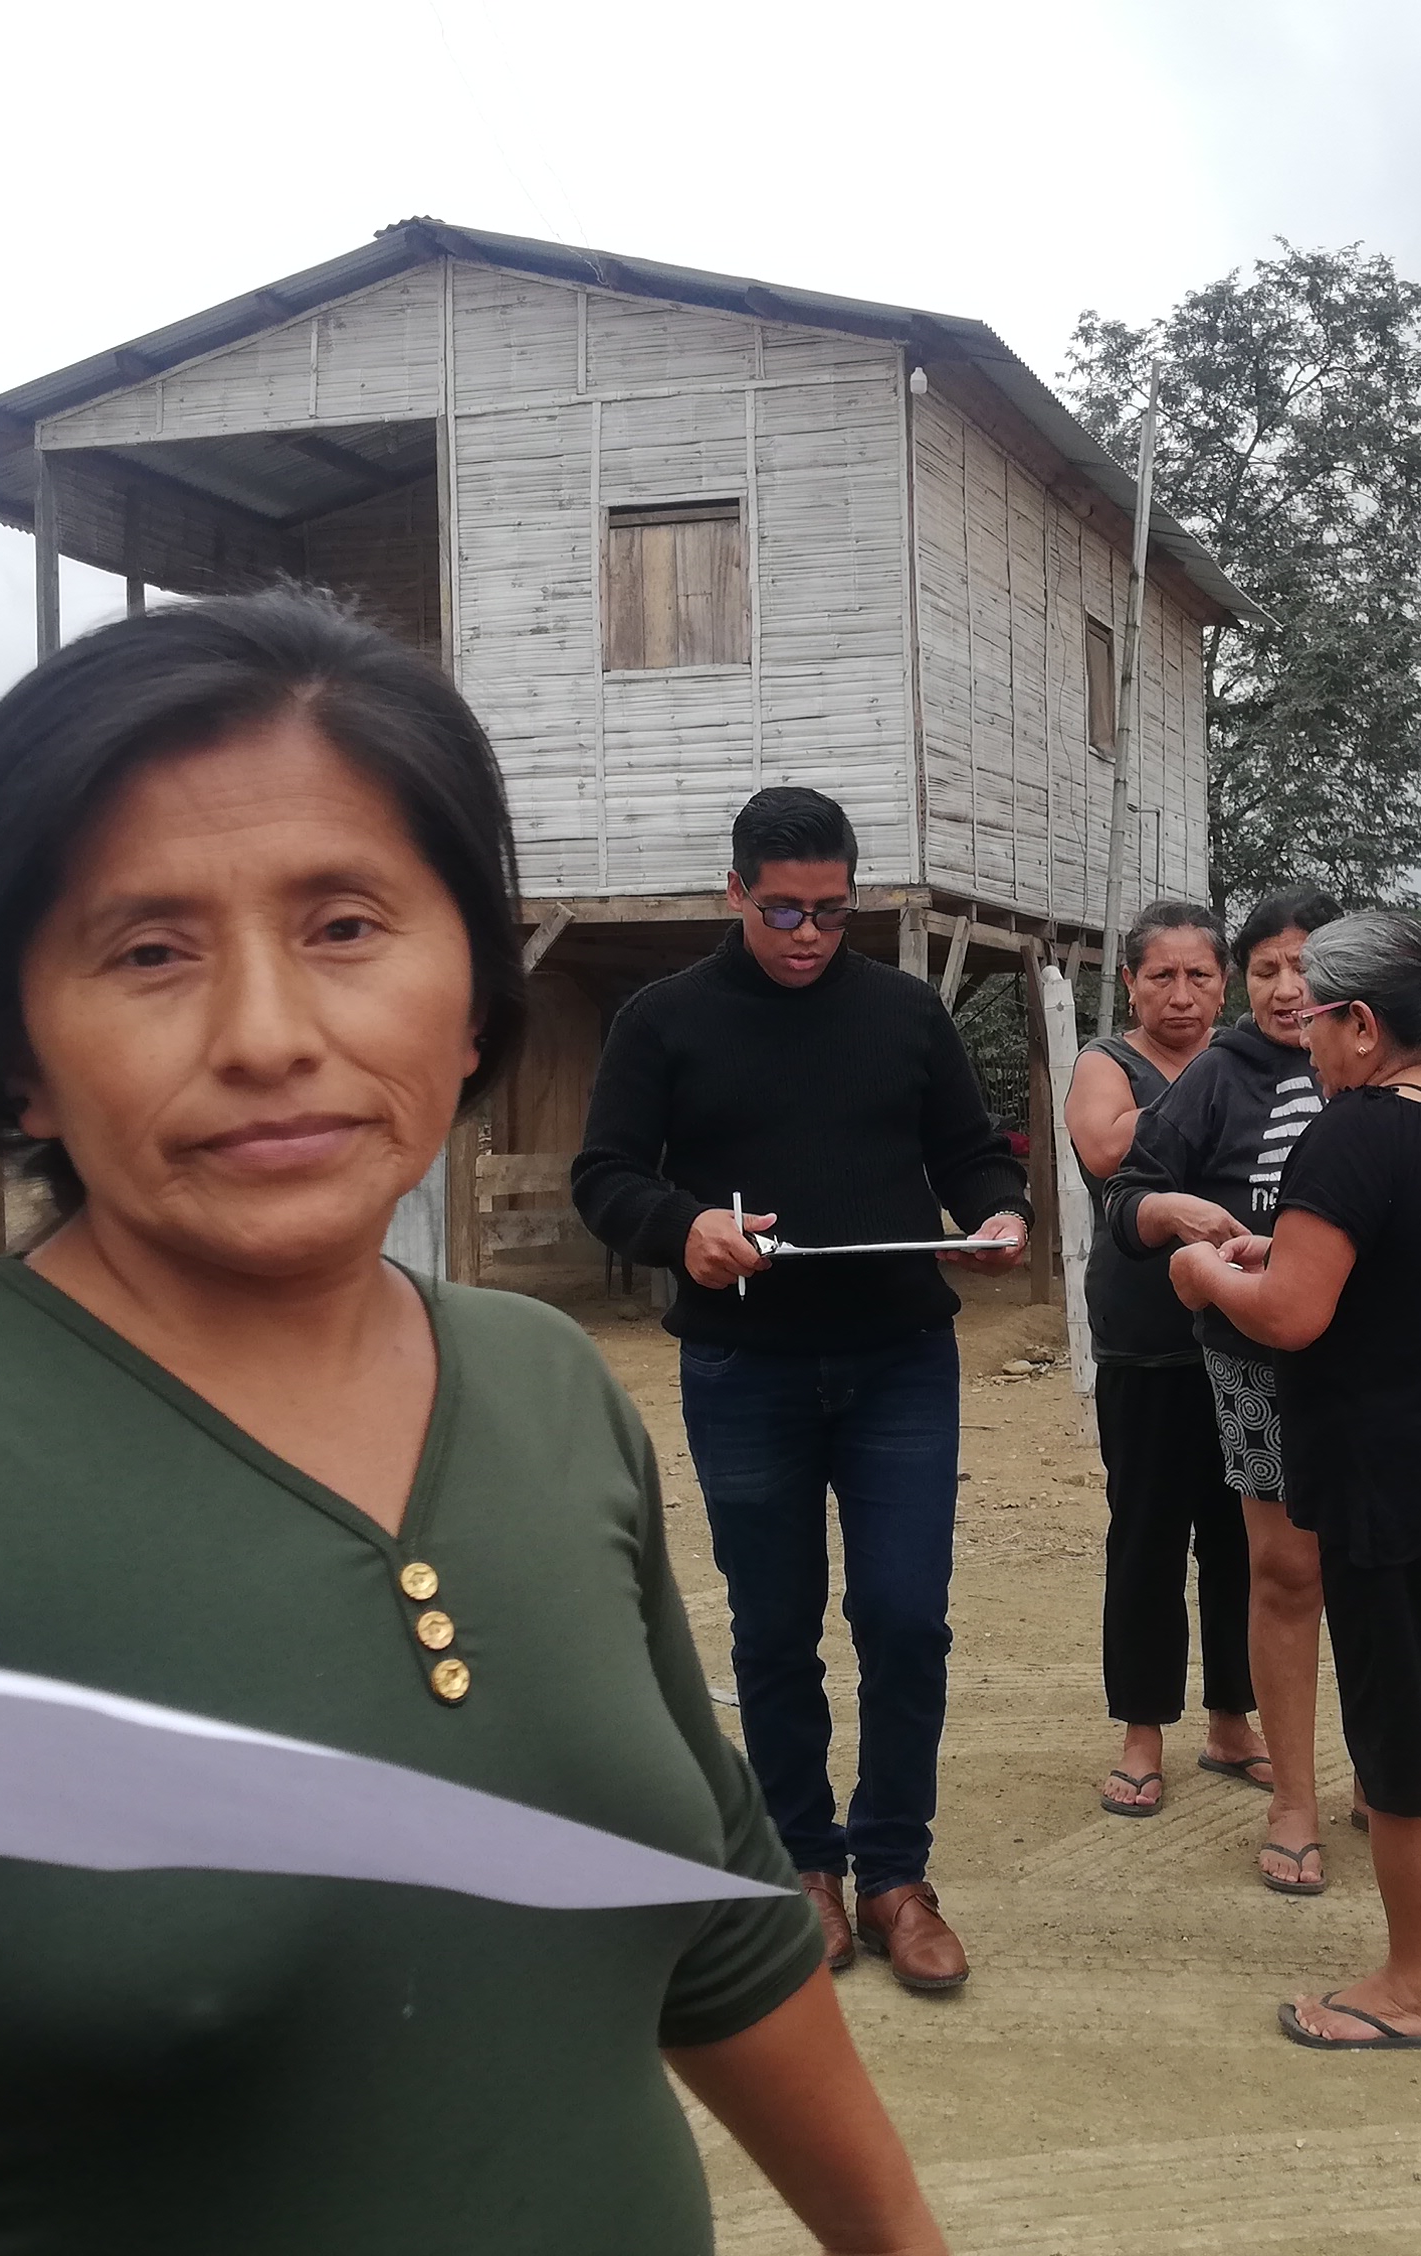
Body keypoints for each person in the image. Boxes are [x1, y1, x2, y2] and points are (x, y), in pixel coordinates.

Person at [0, 590, 944, 2256]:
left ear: (473, 1003)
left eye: (346, 925)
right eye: (148, 951)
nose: (267, 1035)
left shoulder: (543, 1383)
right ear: (17, 1057)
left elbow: (712, 1921)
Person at [573, 787, 1028, 1997]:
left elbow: (970, 1151)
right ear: (735, 893)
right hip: (745, 1369)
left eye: (832, 910)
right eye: (783, 910)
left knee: (904, 1620)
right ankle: (803, 1866)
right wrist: (685, 1229)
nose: (810, 934)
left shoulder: (904, 1012)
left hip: (899, 1364)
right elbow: (605, 1176)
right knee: (774, 1629)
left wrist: (999, 1212)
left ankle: (896, 1877)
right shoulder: (664, 1020)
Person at [1168, 912, 1421, 2053]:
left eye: (1314, 1020)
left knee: (1401, 1747)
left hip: (1401, 1489)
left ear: (1360, 1022)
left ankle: (1415, 1986)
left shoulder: (1352, 1133)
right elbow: (1417, 1262)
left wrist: (1205, 1273)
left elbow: (1292, 1316)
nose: (1302, 1039)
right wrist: (1281, 1250)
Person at [1103, 885, 1343, 1895]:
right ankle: (1250, 1781)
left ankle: (1375, 1765)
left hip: (1368, 1365)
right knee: (1263, 1566)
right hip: (1242, 1360)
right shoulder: (1215, 1075)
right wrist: (1173, 1215)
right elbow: (1124, 1193)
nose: (1287, 989)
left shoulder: (1380, 1062)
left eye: (1305, 966)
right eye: (1266, 970)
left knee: (1370, 1574)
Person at [1061, 900, 1262, 1819]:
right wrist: (1218, 1084)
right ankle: (1142, 1731)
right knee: (1145, 1536)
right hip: (1145, 1338)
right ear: (1131, 983)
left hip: (1249, 1328)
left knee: (1240, 1538)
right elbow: (1107, 1150)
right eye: (1161, 976)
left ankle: (1232, 1721)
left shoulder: (1255, 1059)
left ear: (1225, 983)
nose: (1181, 994)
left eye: (1200, 976)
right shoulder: (1107, 1062)